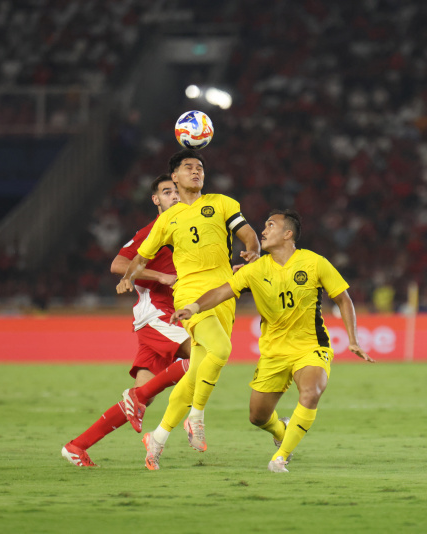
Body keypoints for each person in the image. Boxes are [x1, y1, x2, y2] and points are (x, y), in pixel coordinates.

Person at [172, 209, 375, 472]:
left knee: (311, 392)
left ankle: (280, 457)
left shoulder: (315, 263)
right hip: (273, 353)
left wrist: (353, 339)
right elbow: (223, 291)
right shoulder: (255, 269)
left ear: (288, 234)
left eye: (270, 225)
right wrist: (194, 307)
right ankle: (281, 430)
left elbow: (343, 298)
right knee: (257, 416)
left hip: (310, 347)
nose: (263, 231)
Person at [117, 149, 260, 470]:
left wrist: (252, 250)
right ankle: (196, 416)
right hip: (189, 294)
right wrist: (127, 276)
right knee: (222, 349)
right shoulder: (168, 219)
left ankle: (157, 437)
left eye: (199, 168)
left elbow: (247, 233)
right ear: (176, 177)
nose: (195, 171)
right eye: (188, 168)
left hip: (224, 294)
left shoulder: (222, 203)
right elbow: (141, 256)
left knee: (197, 370)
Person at [62, 174, 193, 467]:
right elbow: (118, 264)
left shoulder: (188, 231)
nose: (173, 196)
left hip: (170, 316)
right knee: (203, 356)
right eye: (166, 192)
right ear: (156, 200)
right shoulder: (152, 231)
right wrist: (158, 276)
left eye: (176, 191)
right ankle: (193, 420)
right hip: (156, 314)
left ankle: (76, 446)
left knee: (141, 397)